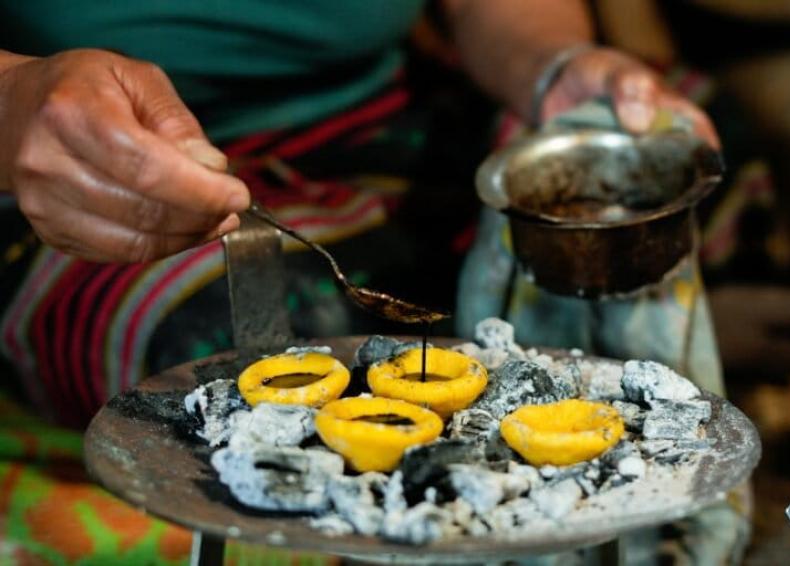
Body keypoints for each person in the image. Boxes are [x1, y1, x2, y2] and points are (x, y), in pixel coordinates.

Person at [0, 1, 728, 564]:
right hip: (84, 167)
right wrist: (12, 101)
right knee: (252, 339)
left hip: (373, 119)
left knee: (659, 159)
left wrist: (552, 67)